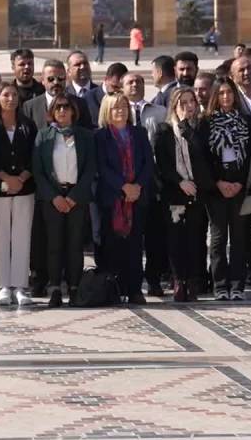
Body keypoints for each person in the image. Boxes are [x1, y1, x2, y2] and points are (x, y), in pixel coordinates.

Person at [34, 95, 95, 307]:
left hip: (76, 196)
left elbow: (90, 169)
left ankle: (74, 287)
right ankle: (55, 288)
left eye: (66, 107)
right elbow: (38, 171)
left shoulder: (85, 136)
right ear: (52, 111)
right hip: (53, 197)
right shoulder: (43, 135)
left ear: (73, 111)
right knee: (54, 244)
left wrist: (74, 196)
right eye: (58, 107)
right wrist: (54, 197)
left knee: (75, 244)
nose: (62, 111)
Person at [154, 87, 214, 302]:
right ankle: (179, 279)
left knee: (196, 238)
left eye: (192, 102)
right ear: (174, 106)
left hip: (197, 191)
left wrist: (187, 130)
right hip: (175, 192)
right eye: (183, 102)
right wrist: (180, 182)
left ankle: (194, 280)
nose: (188, 106)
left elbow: (204, 157)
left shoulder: (199, 128)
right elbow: (162, 164)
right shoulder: (164, 130)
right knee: (176, 238)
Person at [94, 93, 154, 303]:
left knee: (135, 245)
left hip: (137, 197)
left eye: (124, 107)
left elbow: (148, 163)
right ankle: (114, 289)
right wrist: (123, 187)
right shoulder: (100, 136)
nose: (120, 111)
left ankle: (135, 289)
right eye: (115, 107)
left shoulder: (139, 133)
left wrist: (137, 186)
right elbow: (102, 166)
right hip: (112, 198)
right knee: (112, 245)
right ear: (107, 111)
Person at [201, 77, 251, 300]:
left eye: (230, 92)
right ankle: (220, 284)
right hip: (216, 186)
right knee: (218, 238)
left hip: (239, 184)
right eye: (222, 93)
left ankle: (237, 285)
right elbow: (203, 158)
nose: (226, 97)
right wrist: (217, 182)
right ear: (215, 96)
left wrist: (241, 182)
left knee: (239, 237)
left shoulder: (247, 121)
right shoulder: (205, 122)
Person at [0, 83, 36, 307]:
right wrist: (6, 177)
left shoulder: (27, 125)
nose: (11, 98)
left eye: (14, 94)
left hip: (24, 188)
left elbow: (35, 154)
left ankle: (20, 286)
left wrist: (21, 178)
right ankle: (3, 286)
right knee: (0, 236)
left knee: (22, 236)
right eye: (6, 95)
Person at [124, 72, 169, 295]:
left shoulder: (160, 112)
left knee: (154, 234)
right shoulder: (118, 112)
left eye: (139, 81)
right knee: (130, 235)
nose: (135, 85)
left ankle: (153, 278)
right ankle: (129, 280)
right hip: (126, 182)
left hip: (153, 181)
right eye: (130, 82)